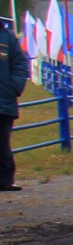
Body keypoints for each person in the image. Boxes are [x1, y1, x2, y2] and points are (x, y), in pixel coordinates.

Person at [0, 12, 25, 192]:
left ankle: (5, 180)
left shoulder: (7, 37)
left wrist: (14, 87)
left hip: (3, 101)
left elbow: (19, 64)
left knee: (2, 143)